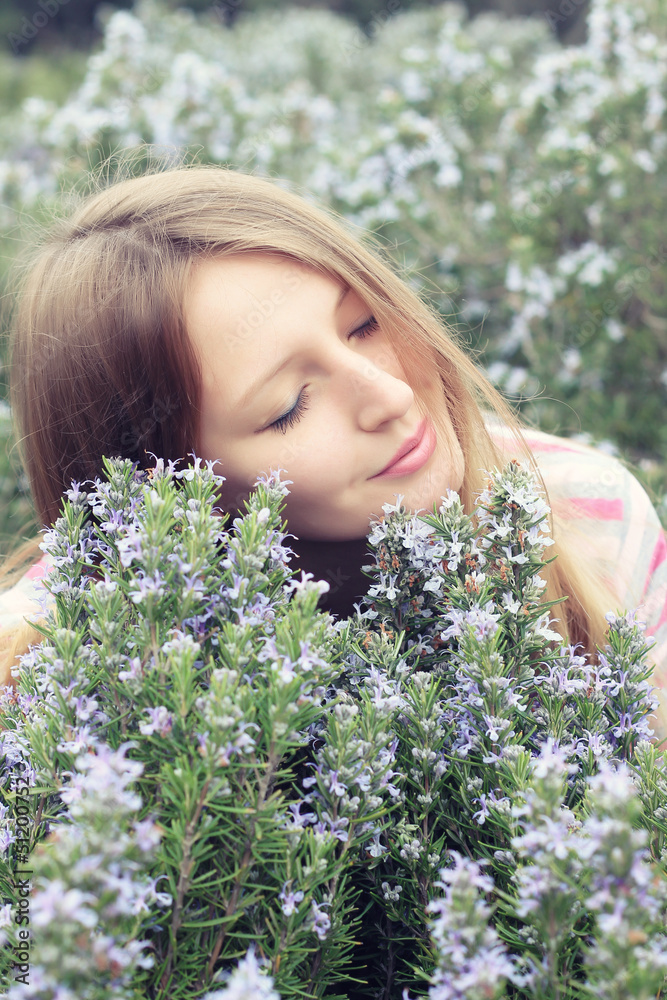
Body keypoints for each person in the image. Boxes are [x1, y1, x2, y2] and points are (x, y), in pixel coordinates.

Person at [1, 162, 665, 734]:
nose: (390, 396)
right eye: (288, 405)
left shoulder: (592, 516)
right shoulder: (37, 683)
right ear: (164, 501)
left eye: (365, 323)